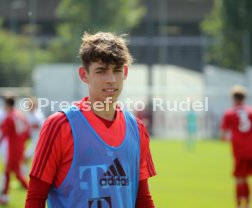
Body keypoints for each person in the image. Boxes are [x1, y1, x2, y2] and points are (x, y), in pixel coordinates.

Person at [25, 31, 156, 208]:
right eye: (101, 71)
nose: (111, 79)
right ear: (84, 74)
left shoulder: (137, 129)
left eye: (117, 70)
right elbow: (35, 198)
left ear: (125, 72)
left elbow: (143, 199)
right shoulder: (60, 126)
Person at [0, 95, 30, 205]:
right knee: (8, 172)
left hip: (13, 149)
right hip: (20, 147)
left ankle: (35, 193)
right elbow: (27, 133)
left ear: (6, 105)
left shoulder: (10, 117)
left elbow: (3, 132)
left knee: (17, 174)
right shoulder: (21, 115)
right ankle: (4, 197)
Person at [220, 85, 252, 208]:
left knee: (240, 178)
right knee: (246, 178)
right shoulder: (251, 111)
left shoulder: (229, 113)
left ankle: (239, 205)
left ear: (233, 98)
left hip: (240, 151)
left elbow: (223, 136)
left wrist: (230, 137)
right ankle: (248, 204)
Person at [24, 97, 45, 165]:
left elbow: (43, 127)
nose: (29, 106)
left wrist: (34, 126)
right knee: (31, 159)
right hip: (33, 139)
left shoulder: (38, 115)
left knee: (26, 157)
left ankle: (24, 174)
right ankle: (26, 173)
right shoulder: (28, 115)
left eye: (30, 105)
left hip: (38, 140)